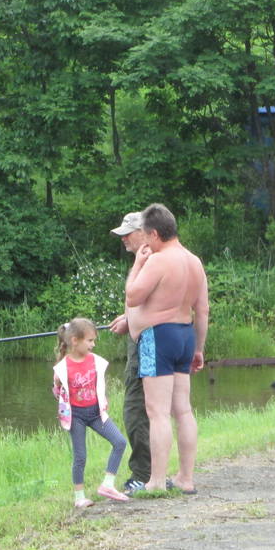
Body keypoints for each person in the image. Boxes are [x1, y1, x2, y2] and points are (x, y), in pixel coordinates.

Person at [125, 204, 209, 493]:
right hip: (185, 335)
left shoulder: (159, 260)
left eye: (147, 236)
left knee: (157, 412)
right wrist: (199, 348)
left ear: (155, 234)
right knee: (183, 410)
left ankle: (157, 481)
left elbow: (133, 296)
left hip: (158, 336)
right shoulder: (194, 261)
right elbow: (203, 310)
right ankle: (186, 478)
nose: (146, 243)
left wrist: (138, 264)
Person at [52, 318, 130, 507]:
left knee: (120, 442)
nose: (93, 344)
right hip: (76, 416)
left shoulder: (96, 361)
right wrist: (57, 387)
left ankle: (108, 485)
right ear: (75, 340)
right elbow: (58, 395)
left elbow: (99, 385)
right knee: (80, 457)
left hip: (96, 414)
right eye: (90, 340)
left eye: (94, 340)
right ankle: (79, 497)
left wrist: (104, 399)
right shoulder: (62, 368)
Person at [106, 212, 152, 495]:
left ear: (145, 232)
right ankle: (151, 472)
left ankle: (143, 474)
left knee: (135, 408)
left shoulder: (146, 262)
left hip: (144, 344)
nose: (123, 238)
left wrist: (131, 321)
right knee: (153, 409)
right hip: (144, 339)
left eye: (128, 233)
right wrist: (127, 318)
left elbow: (145, 302)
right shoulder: (151, 260)